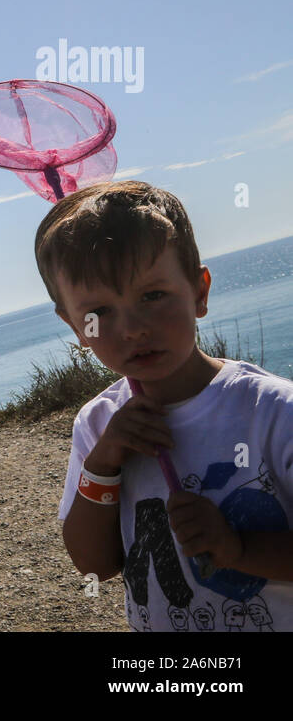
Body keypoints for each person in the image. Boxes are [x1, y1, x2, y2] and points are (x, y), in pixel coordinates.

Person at [44, 181, 293, 631]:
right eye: (99, 312)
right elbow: (95, 565)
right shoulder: (97, 423)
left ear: (199, 291)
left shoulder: (273, 412)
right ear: (75, 326)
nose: (133, 329)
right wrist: (103, 462)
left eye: (152, 296)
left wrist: (238, 549)